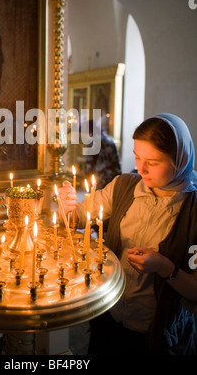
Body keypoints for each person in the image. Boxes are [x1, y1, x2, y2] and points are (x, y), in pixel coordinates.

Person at [59, 113, 197, 355]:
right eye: (137, 157)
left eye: (153, 162)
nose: (141, 169)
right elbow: (78, 217)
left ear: (180, 158)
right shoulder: (125, 186)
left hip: (154, 335)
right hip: (107, 315)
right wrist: (67, 206)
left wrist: (165, 267)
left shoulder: (193, 210)